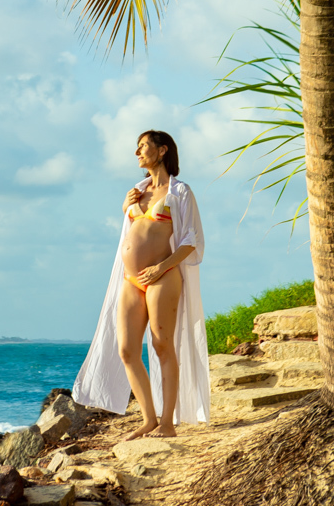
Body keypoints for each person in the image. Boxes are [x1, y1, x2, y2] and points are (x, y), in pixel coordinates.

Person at [73, 130, 210, 437]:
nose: (137, 153)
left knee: (162, 345)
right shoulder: (137, 191)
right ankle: (148, 418)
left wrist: (162, 267)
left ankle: (166, 424)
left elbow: (192, 240)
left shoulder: (180, 192)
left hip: (163, 276)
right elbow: (132, 231)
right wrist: (126, 207)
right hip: (131, 279)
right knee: (127, 350)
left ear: (162, 151)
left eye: (143, 147)